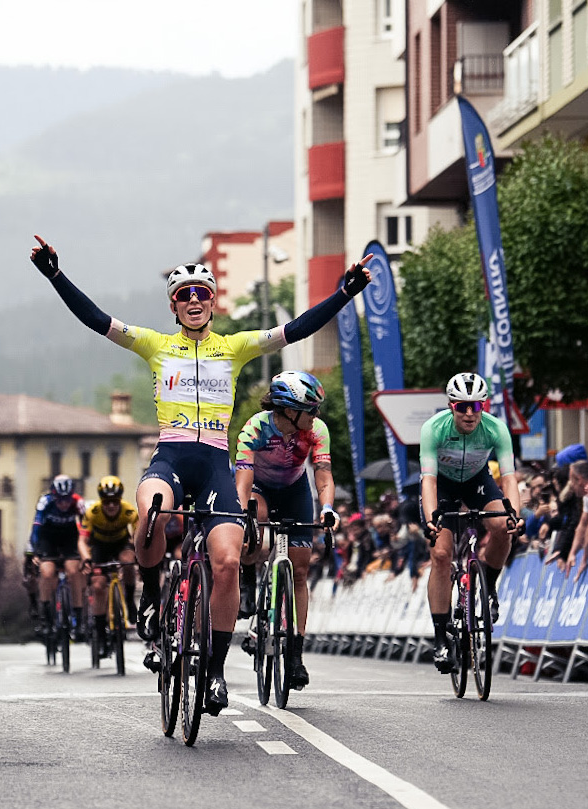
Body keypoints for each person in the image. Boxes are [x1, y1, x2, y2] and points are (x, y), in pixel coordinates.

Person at [28, 234, 371, 714]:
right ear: (173, 305)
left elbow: (297, 328)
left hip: (213, 463)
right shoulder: (154, 344)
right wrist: (56, 277)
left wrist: (345, 293)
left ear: (213, 302)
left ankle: (213, 672)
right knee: (150, 510)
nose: (193, 300)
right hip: (170, 456)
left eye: (202, 293)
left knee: (228, 562)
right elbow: (96, 320)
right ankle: (150, 594)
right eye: (184, 294)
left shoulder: (233, 348)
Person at [233, 371, 337, 691]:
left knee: (301, 571)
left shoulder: (316, 430)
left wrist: (328, 508)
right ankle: (249, 579)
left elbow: (323, 474)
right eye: (311, 409)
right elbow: (244, 480)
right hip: (258, 489)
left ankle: (294, 656)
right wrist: (243, 515)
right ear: (289, 409)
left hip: (294, 491)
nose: (316, 415)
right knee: (257, 531)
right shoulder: (254, 428)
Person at [418, 372, 522, 674]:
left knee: (504, 527)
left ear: (483, 407)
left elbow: (510, 478)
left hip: (477, 482)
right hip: (443, 486)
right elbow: (428, 480)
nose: (468, 413)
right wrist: (430, 520)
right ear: (451, 406)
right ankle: (440, 639)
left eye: (475, 406)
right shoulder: (433, 429)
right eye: (462, 406)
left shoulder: (496, 429)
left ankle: (488, 585)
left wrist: (514, 513)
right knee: (440, 554)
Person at [79, 475, 139, 648]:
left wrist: (139, 556)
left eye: (115, 501)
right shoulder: (92, 513)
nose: (111, 505)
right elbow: (82, 541)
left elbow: (137, 536)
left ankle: (128, 601)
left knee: (128, 561)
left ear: (120, 500)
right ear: (101, 501)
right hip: (99, 548)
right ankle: (99, 630)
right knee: (98, 586)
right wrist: (86, 559)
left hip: (121, 544)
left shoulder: (128, 512)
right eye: (107, 502)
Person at [28, 474, 87, 641]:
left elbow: (86, 527)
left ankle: (78, 618)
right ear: (54, 496)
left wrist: (86, 551)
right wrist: (35, 551)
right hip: (48, 539)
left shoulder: (78, 503)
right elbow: (36, 528)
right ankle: (45, 619)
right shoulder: (45, 502)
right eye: (60, 500)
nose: (63, 504)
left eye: (67, 499)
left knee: (73, 571)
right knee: (46, 573)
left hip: (69, 538)